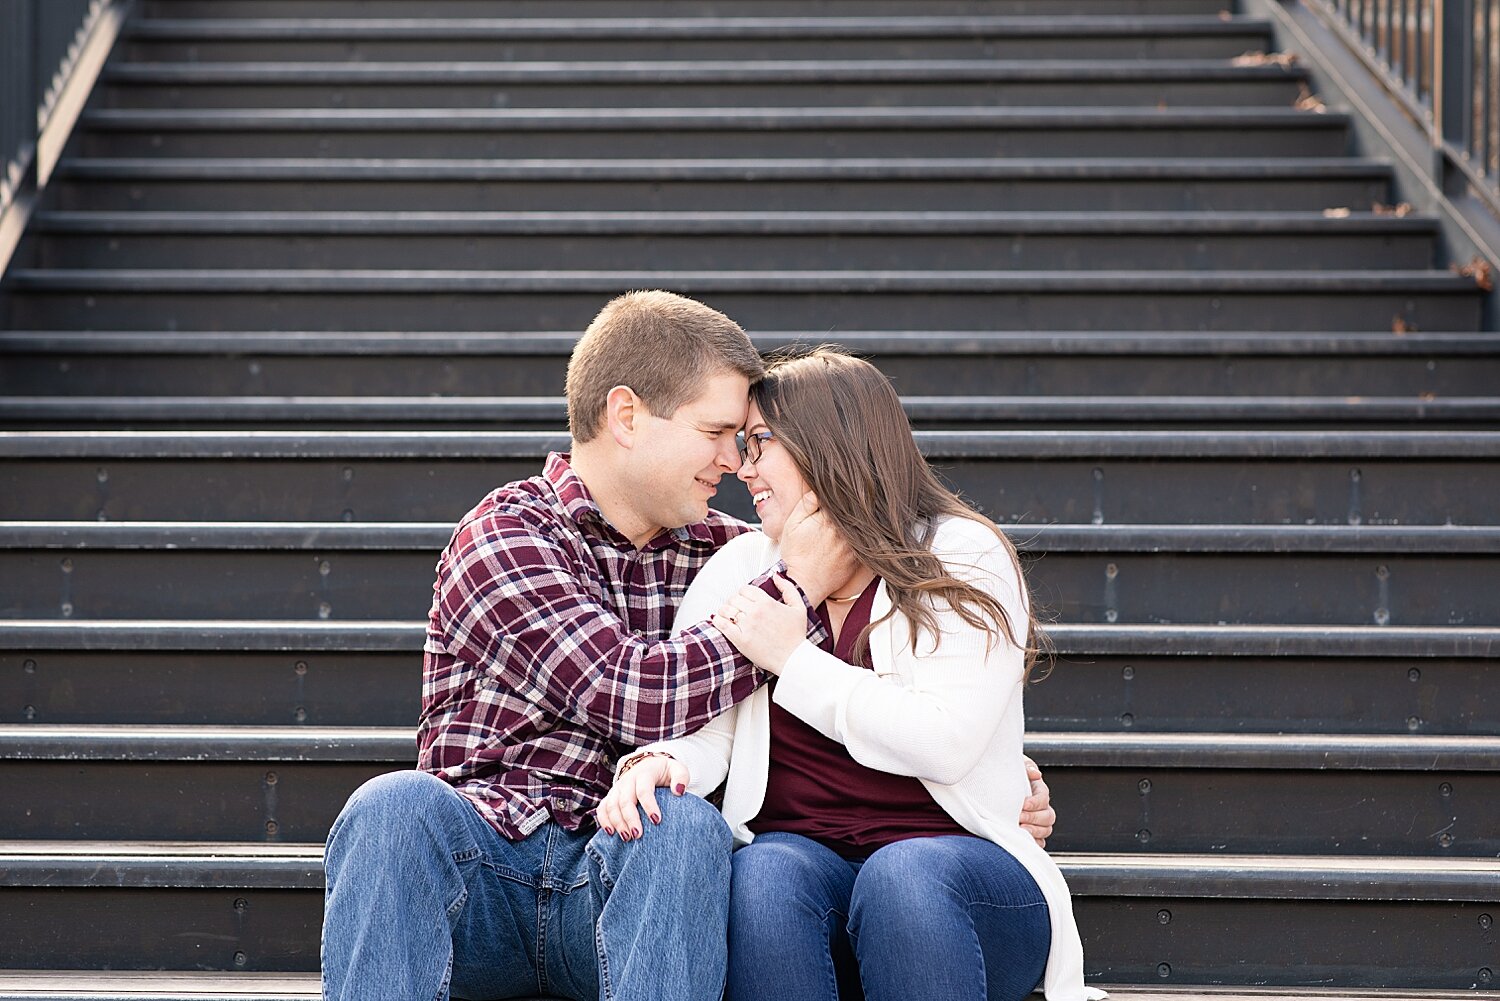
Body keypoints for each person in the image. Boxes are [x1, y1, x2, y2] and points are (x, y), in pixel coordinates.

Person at [321, 291, 1056, 1001]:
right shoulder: (510, 535)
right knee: (392, 806)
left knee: (685, 826)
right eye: (717, 434)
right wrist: (795, 591)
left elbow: (920, 699)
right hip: (485, 868)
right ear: (627, 415)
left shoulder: (727, 554)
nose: (735, 463)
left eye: (749, 441)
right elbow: (627, 689)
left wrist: (989, 764)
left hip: (622, 881)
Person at [598, 348, 1102, 1001]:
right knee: (762, 875)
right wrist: (666, 760)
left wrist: (794, 659)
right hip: (810, 877)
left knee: (903, 874)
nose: (742, 469)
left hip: (960, 889)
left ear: (824, 446)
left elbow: (945, 742)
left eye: (758, 443)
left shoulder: (960, 555)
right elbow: (712, 733)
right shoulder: (737, 567)